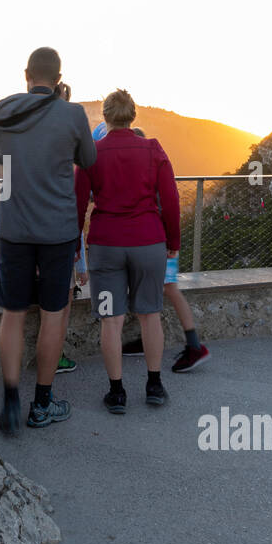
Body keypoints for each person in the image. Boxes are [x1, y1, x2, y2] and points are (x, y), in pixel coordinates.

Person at [0, 47, 96, 434]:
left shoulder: (2, 111)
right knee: (54, 313)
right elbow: (87, 158)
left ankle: (11, 402)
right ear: (59, 77)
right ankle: (42, 405)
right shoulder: (72, 114)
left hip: (14, 228)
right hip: (57, 232)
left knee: (13, 313)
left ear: (26, 75)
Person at [75, 89, 181, 413]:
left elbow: (77, 207)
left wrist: (76, 252)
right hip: (148, 245)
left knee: (111, 320)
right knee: (150, 315)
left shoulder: (92, 153)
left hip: (106, 248)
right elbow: (172, 201)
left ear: (105, 117)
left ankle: (117, 393)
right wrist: (173, 244)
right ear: (133, 116)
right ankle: (154, 385)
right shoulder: (152, 149)